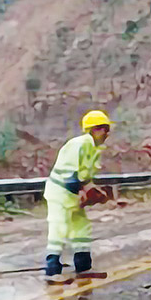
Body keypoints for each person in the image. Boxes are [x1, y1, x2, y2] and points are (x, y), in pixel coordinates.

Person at [44, 110, 110, 279]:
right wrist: (80, 190)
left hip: (71, 196)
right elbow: (69, 174)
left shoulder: (93, 149)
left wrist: (94, 190)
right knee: (58, 227)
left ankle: (83, 265)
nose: (107, 133)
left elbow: (84, 176)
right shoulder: (79, 144)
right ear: (94, 129)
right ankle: (52, 269)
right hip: (59, 194)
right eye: (104, 129)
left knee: (81, 229)